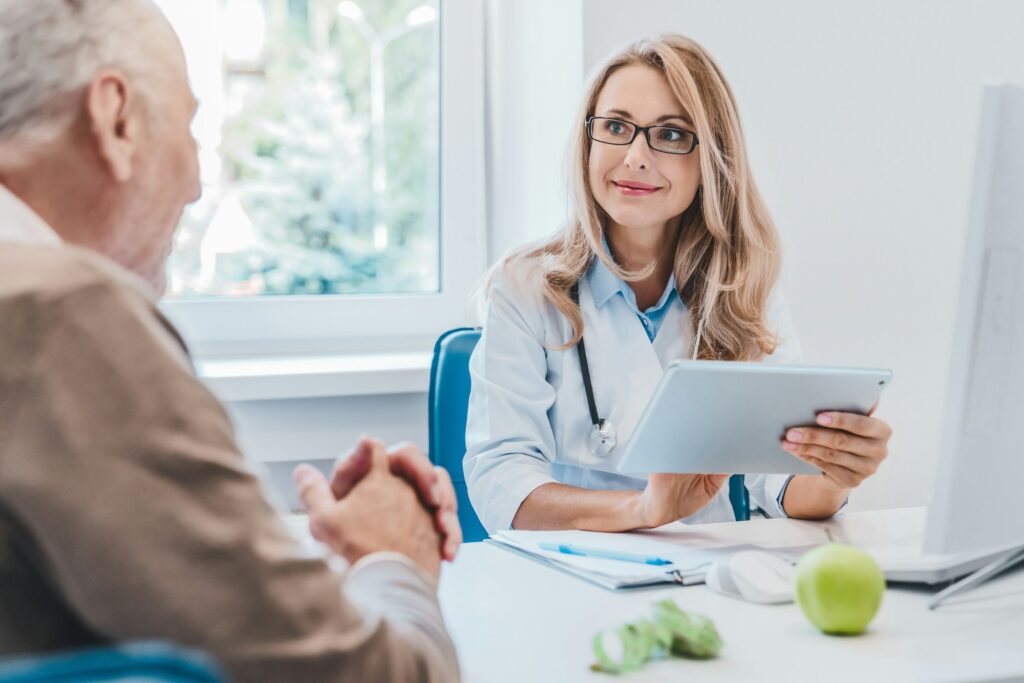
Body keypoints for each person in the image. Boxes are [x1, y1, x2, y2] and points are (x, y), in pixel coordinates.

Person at [0, 1, 461, 681]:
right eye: (188, 127)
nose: (194, 185)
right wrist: (393, 556)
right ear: (115, 117)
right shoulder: (65, 315)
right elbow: (378, 675)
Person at [464, 34, 893, 534]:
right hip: (568, 574)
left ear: (712, 161)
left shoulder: (742, 289)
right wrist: (642, 511)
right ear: (587, 142)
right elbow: (502, 483)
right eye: (616, 127)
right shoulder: (525, 289)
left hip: (706, 579)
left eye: (670, 135)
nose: (635, 157)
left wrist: (833, 472)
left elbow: (778, 483)